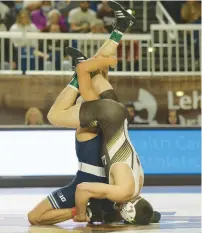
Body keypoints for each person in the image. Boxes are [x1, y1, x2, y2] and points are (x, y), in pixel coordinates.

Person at [47, 0, 153, 225]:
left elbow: (150, 214)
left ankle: (120, 28)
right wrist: (82, 215)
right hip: (107, 118)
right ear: (128, 211)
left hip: (119, 118)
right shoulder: (124, 193)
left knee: (98, 75)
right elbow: (84, 189)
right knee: (54, 116)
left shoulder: (139, 183)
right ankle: (79, 71)